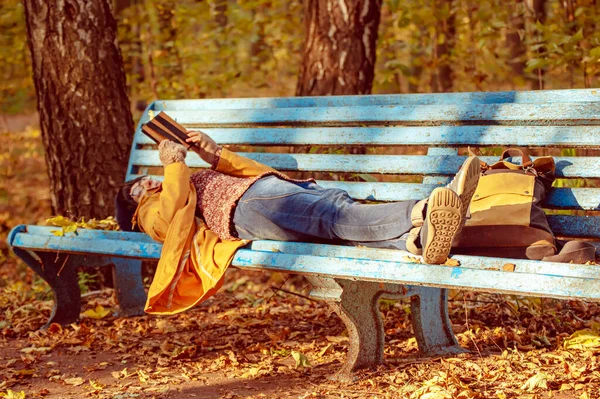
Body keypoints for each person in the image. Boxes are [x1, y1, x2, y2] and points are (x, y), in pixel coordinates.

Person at [115, 131, 480, 315]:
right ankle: (425, 208)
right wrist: (173, 164)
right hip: (249, 206)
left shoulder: (179, 183)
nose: (146, 184)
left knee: (339, 226)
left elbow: (253, 172)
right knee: (334, 213)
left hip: (261, 193)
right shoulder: (151, 212)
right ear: (134, 211)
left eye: (144, 179)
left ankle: (417, 240)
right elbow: (169, 214)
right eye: (137, 190)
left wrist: (212, 154)